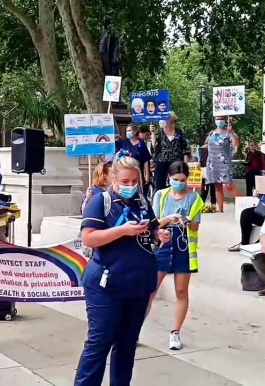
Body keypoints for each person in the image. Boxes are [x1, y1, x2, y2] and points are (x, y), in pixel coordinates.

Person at [74, 153, 171, 385]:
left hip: (138, 283)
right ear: (113, 180)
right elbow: (89, 238)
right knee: (99, 343)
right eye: (125, 182)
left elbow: (152, 231)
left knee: (127, 345)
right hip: (106, 284)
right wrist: (121, 231)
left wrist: (160, 234)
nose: (130, 186)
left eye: (134, 182)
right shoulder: (101, 201)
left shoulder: (143, 201)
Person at [147, 161, 204, 350]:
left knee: (181, 291)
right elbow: (153, 223)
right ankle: (134, 330)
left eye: (182, 180)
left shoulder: (194, 198)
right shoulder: (160, 195)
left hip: (183, 245)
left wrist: (186, 220)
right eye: (175, 180)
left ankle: (175, 332)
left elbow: (196, 226)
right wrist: (169, 218)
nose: (179, 183)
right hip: (163, 242)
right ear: (169, 178)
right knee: (150, 290)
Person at [203, 116, 242, 212]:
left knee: (228, 185)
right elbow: (206, 144)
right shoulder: (212, 132)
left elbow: (236, 144)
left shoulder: (228, 132)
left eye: (221, 119)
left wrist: (231, 131)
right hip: (212, 162)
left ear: (225, 120)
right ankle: (220, 210)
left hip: (224, 162)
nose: (219, 120)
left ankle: (244, 203)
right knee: (217, 186)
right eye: (217, 118)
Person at [150, 112, 190, 191]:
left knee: (176, 183)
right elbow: (154, 147)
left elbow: (185, 148)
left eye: (165, 118)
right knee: (159, 185)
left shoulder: (179, 132)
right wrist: (153, 134)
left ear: (171, 120)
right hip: (162, 161)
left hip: (176, 161)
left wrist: (185, 164)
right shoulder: (159, 132)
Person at [117, 125, 152, 192]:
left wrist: (147, 174)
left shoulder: (141, 144)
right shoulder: (124, 142)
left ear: (135, 131)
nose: (128, 132)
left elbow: (146, 160)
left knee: (138, 190)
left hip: (138, 171)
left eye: (130, 130)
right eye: (127, 131)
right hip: (125, 170)